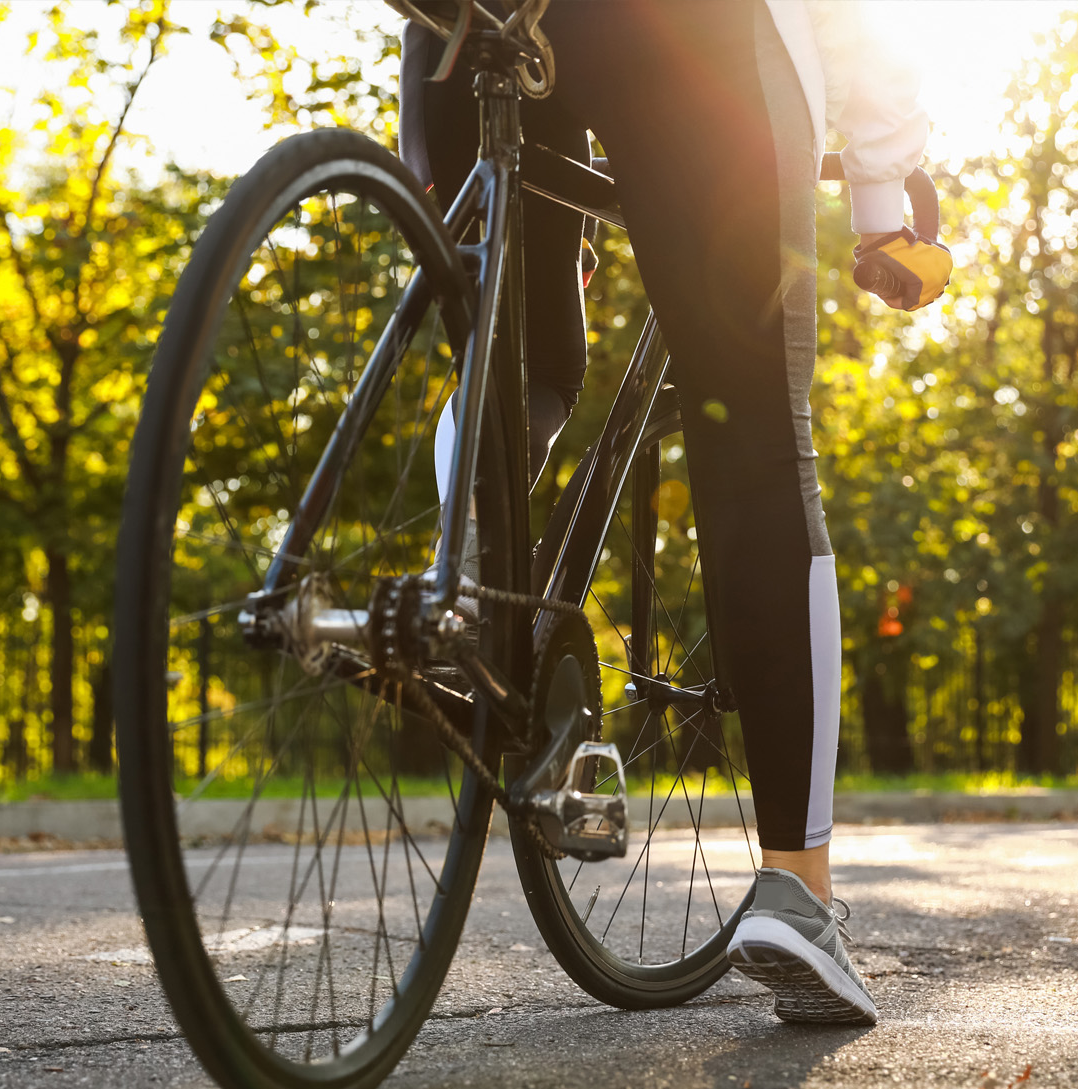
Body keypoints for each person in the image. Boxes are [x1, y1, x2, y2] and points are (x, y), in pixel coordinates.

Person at [399, 0, 951, 1025]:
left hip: (463, 29)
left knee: (522, 368)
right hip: (698, 38)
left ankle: (469, 583)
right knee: (750, 437)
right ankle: (799, 894)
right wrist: (881, 190)